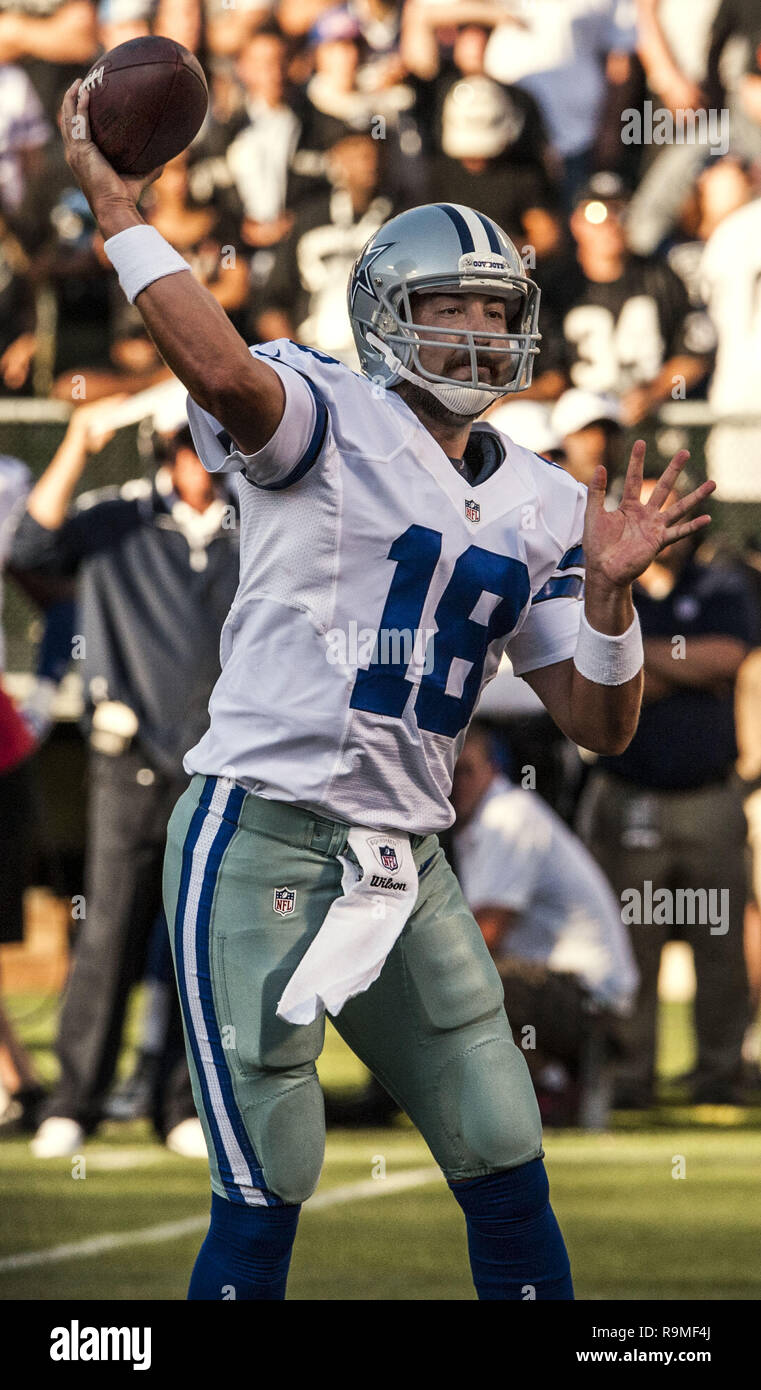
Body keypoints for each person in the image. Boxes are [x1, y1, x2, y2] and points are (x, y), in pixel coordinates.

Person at [58, 72, 714, 1301]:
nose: (475, 334)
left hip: (403, 861)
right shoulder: (324, 407)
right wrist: (114, 204)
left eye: (492, 310)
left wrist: (615, 603)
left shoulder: (537, 497)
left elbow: (595, 721)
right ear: (382, 319)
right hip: (259, 834)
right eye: (447, 309)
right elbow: (217, 368)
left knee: (503, 1146)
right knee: (270, 1179)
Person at [10, 397, 241, 1158]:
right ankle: (74, 1100)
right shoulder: (117, 519)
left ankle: (178, 1104)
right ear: (162, 450)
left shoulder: (258, 523)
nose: (201, 460)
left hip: (219, 764)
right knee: (108, 930)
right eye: (187, 444)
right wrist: (77, 439)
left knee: (195, 936)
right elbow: (30, 546)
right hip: (128, 758)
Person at [576, 473, 758, 1107]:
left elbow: (726, 659)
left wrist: (635, 659)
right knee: (631, 942)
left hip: (708, 795)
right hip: (630, 794)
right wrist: (676, 669)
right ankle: (631, 1077)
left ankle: (719, 1073)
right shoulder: (604, 584)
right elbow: (595, 669)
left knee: (720, 944)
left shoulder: (722, 582)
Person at [451, 723, 639, 1125]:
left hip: (588, 994)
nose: (454, 783)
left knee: (456, 977)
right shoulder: (486, 819)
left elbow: (485, 936)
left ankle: (549, 1089)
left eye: (465, 771)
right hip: (577, 987)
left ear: (494, 769)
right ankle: (543, 1085)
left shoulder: (506, 817)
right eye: (448, 772)